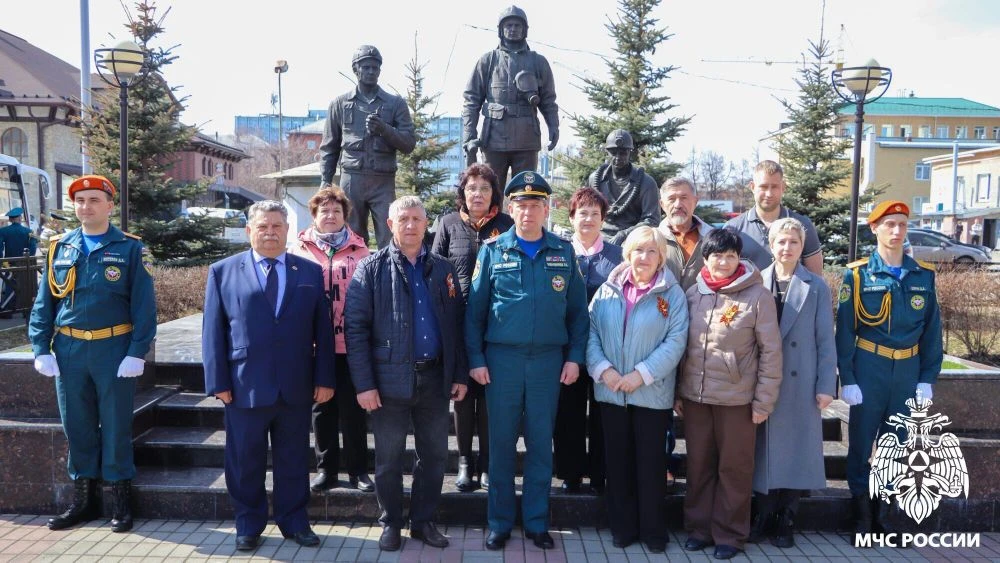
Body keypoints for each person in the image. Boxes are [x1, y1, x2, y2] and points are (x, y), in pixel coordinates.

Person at [465, 170, 588, 551]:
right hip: (502, 362)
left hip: (548, 363)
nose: (528, 212)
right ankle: (499, 522)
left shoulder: (563, 252)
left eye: (536, 205)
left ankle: (536, 522)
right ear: (511, 208)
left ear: (546, 209)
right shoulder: (492, 251)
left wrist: (575, 358)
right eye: (521, 204)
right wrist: (476, 358)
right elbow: (475, 312)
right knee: (501, 445)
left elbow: (578, 314)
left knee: (539, 443)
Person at [203, 200, 334, 552]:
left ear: (288, 230)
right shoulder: (223, 272)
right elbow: (213, 332)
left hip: (295, 385)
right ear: (250, 230)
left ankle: (295, 522)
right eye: (263, 226)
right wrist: (218, 382)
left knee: (293, 459)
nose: (270, 233)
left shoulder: (309, 272)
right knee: (244, 461)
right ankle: (248, 524)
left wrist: (324, 378)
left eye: (277, 226)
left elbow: (322, 331)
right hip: (243, 385)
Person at [28, 175, 156, 533]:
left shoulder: (130, 248)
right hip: (69, 350)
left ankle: (120, 501)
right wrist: (40, 347)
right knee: (77, 425)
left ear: (110, 205)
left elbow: (144, 306)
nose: (86, 206)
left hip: (113, 349)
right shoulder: (60, 247)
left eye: (94, 200)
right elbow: (44, 303)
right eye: (80, 200)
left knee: (115, 425)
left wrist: (137, 351)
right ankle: (83, 502)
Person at [344, 195, 468, 552]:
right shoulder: (370, 268)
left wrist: (459, 374)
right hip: (388, 382)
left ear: (426, 224)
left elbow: (455, 324)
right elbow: (355, 330)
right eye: (403, 219)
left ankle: (423, 521)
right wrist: (364, 385)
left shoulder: (443, 268)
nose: (411, 225)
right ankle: (391, 523)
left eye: (417, 219)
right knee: (388, 459)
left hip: (435, 379)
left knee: (435, 457)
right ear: (390, 224)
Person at [835, 200, 942, 537]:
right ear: (874, 228)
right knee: (861, 444)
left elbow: (932, 332)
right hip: (870, 367)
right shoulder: (857, 275)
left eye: (902, 225)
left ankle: (885, 515)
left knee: (899, 444)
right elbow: (845, 331)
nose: (897, 231)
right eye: (889, 224)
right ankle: (861, 516)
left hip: (907, 371)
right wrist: (848, 378)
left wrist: (927, 378)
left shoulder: (923, 275)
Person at [676, 228, 782, 560]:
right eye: (717, 256)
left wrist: (764, 400)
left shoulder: (757, 297)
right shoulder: (693, 293)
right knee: (699, 466)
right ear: (705, 258)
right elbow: (682, 346)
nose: (723, 262)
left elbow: (771, 352)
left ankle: (731, 535)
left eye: (730, 256)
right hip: (696, 398)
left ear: (739, 259)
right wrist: (678, 390)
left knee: (734, 469)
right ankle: (699, 529)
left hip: (737, 401)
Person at [586, 226, 688, 553]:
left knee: (650, 465)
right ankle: (623, 528)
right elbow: (590, 333)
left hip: (651, 394)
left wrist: (640, 375)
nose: (644, 257)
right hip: (611, 391)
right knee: (617, 464)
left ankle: (653, 531)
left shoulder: (672, 294)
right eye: (638, 250)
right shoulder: (607, 290)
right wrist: (604, 370)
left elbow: (675, 342)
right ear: (628, 253)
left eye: (651, 251)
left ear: (661, 257)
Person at [752, 218, 837, 548]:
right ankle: (763, 514)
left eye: (794, 242)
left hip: (801, 380)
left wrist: (826, 385)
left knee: (797, 450)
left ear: (802, 247)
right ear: (771, 245)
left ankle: (786, 517)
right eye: (781, 241)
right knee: (763, 449)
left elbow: (825, 340)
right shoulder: (756, 281)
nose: (787, 248)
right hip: (763, 381)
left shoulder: (816, 286)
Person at [431, 163, 513, 492]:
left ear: (494, 194)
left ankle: (488, 464)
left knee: (490, 398)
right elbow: (434, 268)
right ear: (462, 193)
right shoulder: (448, 224)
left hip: (496, 326)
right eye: (471, 188)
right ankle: (465, 462)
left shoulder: (507, 226)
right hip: (457, 325)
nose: (477, 194)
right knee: (463, 396)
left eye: (484, 188)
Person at [288, 187, 374, 494]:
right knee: (322, 409)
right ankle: (326, 469)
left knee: (353, 411)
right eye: (324, 210)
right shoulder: (298, 250)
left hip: (351, 346)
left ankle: (358, 470)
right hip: (313, 346)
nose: (330, 215)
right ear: (314, 215)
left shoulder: (361, 251)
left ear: (345, 216)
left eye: (336, 211)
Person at [554, 187, 622, 494]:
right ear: (571, 217)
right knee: (567, 411)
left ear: (603, 219)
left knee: (602, 412)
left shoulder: (618, 257)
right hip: (566, 348)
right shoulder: (558, 253)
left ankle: (600, 473)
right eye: (583, 213)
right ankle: (570, 473)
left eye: (596, 214)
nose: (589, 219)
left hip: (606, 349)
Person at [320, 45, 416, 249]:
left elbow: (409, 144)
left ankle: (389, 270)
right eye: (366, 67)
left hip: (383, 182)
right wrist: (325, 181)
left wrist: (384, 129)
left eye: (375, 67)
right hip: (351, 181)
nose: (371, 71)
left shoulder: (395, 104)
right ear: (356, 69)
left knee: (389, 236)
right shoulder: (339, 104)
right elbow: (330, 147)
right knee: (351, 238)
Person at [657, 176, 715, 487]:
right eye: (671, 198)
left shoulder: (714, 238)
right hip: (660, 335)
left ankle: (702, 474)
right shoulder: (652, 238)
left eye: (684, 198)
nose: (678, 204)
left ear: (695, 201)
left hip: (705, 336)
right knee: (661, 403)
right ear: (661, 204)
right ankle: (664, 466)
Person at [462, 5, 559, 189]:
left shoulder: (538, 62)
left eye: (517, 25)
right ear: (501, 29)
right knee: (490, 191)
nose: (513, 29)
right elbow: (471, 100)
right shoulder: (488, 61)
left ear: (525, 29)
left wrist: (554, 125)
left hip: (527, 139)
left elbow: (548, 100)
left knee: (525, 191)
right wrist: (469, 134)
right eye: (508, 25)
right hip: (494, 140)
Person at [725, 160, 823, 273]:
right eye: (763, 187)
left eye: (775, 187)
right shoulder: (733, 229)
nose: (769, 194)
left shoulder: (803, 225)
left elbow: (816, 276)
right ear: (752, 187)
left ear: (783, 187)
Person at [587, 130, 661, 245]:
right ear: (607, 152)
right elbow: (587, 211)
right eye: (613, 153)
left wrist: (624, 234)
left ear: (630, 152)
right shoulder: (595, 179)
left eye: (623, 153)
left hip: (633, 241)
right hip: (598, 238)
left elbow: (652, 220)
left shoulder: (646, 182)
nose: (618, 157)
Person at [0, 206, 39, 315]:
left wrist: (2, 261)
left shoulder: (3, 231)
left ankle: (7, 310)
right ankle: (26, 311)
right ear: (20, 218)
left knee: (10, 284)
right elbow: (33, 248)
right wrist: (28, 260)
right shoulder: (29, 231)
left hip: (9, 263)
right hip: (25, 263)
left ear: (10, 219)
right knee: (26, 285)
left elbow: (0, 248)